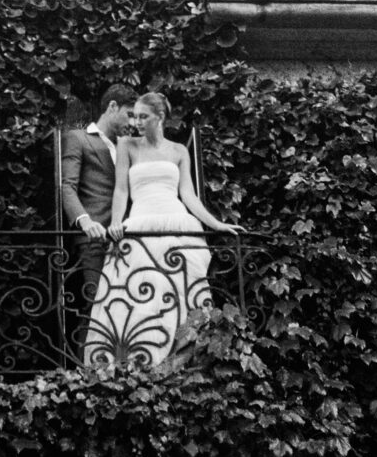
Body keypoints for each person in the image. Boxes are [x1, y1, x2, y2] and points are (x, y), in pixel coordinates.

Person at [83, 91, 244, 368]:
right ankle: (135, 363)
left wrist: (217, 224)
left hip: (176, 222)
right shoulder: (127, 145)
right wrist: (116, 223)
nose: (137, 122)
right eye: (134, 115)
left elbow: (189, 196)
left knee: (179, 291)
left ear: (160, 117)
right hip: (141, 222)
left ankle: (177, 362)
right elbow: (121, 190)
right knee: (138, 292)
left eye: (144, 116)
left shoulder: (179, 151)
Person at [61, 84, 138, 356]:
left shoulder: (128, 146)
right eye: (129, 114)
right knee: (95, 305)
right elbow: (67, 186)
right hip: (94, 239)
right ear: (112, 107)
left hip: (130, 239)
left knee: (130, 308)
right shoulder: (78, 138)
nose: (133, 122)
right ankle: (86, 376)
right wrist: (84, 221)